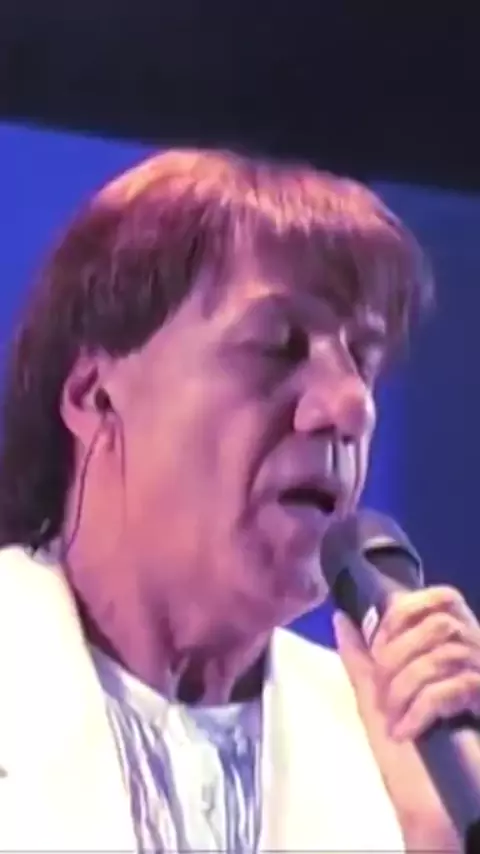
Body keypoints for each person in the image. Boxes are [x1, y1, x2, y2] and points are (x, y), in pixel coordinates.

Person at [0, 148, 477, 853]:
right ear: (94, 396)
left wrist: (435, 838)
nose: (352, 406)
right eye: (278, 346)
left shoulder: (395, 759)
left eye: (364, 360)